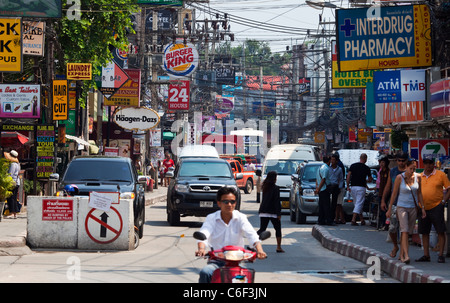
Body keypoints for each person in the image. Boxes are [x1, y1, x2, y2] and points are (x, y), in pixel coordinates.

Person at [195, 186, 267, 283]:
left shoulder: (241, 218)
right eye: (226, 202)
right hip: (216, 262)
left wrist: (259, 250)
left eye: (232, 202)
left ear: (235, 203)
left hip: (236, 262)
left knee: (245, 278)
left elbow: (251, 235)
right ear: (219, 203)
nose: (229, 204)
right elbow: (204, 233)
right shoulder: (211, 218)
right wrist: (201, 249)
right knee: (206, 272)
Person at [386, 159, 426, 264]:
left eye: (414, 168)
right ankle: (406, 256)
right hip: (401, 206)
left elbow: (419, 193)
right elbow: (394, 194)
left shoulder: (418, 177)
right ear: (406, 168)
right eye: (410, 168)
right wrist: (389, 209)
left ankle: (402, 254)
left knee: (408, 232)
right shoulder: (400, 178)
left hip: (413, 207)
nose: (412, 170)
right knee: (404, 230)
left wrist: (422, 208)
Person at [416, 156, 450, 263]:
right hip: (423, 208)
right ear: (423, 164)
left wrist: (443, 202)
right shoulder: (419, 176)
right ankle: (426, 255)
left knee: (440, 230)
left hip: (436, 206)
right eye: (426, 163)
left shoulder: (441, 174)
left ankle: (441, 254)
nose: (428, 165)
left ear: (434, 163)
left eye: (430, 163)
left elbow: (449, 189)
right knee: (424, 232)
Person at [381, 152, 408, 258]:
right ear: (396, 161)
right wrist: (383, 200)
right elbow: (388, 187)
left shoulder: (410, 171)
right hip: (394, 204)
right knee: (392, 228)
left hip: (406, 204)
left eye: (403, 161)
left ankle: (403, 252)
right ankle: (395, 246)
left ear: (406, 160)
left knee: (404, 230)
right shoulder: (393, 171)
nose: (401, 163)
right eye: (399, 160)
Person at [257, 171, 283, 253]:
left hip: (264, 210)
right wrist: (278, 213)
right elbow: (276, 201)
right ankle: (278, 247)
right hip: (273, 212)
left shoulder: (265, 186)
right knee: (278, 229)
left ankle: (253, 244)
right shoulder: (276, 188)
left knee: (262, 229)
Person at [346, 153, 373, 226]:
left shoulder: (353, 166)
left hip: (353, 187)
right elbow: (370, 179)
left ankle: (362, 219)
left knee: (357, 203)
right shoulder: (366, 168)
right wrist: (367, 180)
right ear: (366, 159)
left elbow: (348, 176)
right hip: (361, 187)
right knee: (359, 203)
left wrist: (348, 186)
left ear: (360, 158)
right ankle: (353, 220)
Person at [315, 156, 332, 225]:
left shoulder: (320, 168)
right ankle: (328, 220)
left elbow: (317, 179)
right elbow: (323, 179)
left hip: (321, 189)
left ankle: (321, 220)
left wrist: (317, 188)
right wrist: (318, 189)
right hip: (324, 188)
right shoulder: (326, 169)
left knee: (321, 205)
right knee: (326, 205)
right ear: (329, 161)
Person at [329, 154, 344, 224]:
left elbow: (341, 179)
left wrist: (340, 187)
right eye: (331, 159)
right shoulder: (328, 168)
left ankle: (333, 218)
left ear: (337, 161)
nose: (332, 161)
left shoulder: (339, 169)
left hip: (336, 187)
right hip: (329, 187)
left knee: (335, 204)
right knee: (328, 203)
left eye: (334, 160)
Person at [375, 156, 390, 229]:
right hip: (380, 192)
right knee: (382, 209)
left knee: (386, 209)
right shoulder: (380, 171)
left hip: (387, 192)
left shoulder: (388, 171)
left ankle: (386, 224)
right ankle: (382, 223)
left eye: (383, 162)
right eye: (381, 162)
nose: (381, 164)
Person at [6, 150, 21, 219]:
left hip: (12, 183)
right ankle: (14, 213)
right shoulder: (18, 164)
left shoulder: (12, 164)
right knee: (14, 198)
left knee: (10, 198)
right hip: (17, 182)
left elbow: (10, 174)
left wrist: (7, 182)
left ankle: (12, 212)